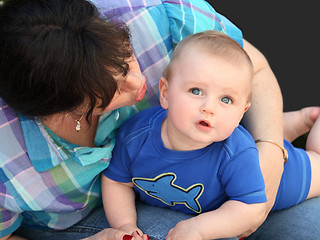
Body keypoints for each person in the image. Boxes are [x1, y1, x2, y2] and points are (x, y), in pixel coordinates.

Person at [0, 0, 319, 240]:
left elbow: (253, 69)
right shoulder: (8, 158)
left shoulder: (150, 10)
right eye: (112, 90)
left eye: (127, 58)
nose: (139, 83)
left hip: (209, 182)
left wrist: (269, 147)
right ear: (60, 109)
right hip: (93, 220)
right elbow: (118, 179)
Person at [101, 30, 320, 240]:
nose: (209, 108)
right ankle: (296, 123)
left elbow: (250, 208)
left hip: (282, 178)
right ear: (165, 94)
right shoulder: (136, 136)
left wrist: (199, 229)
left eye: (226, 100)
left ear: (242, 112)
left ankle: (303, 128)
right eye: (196, 91)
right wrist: (125, 225)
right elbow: (117, 182)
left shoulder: (236, 152)